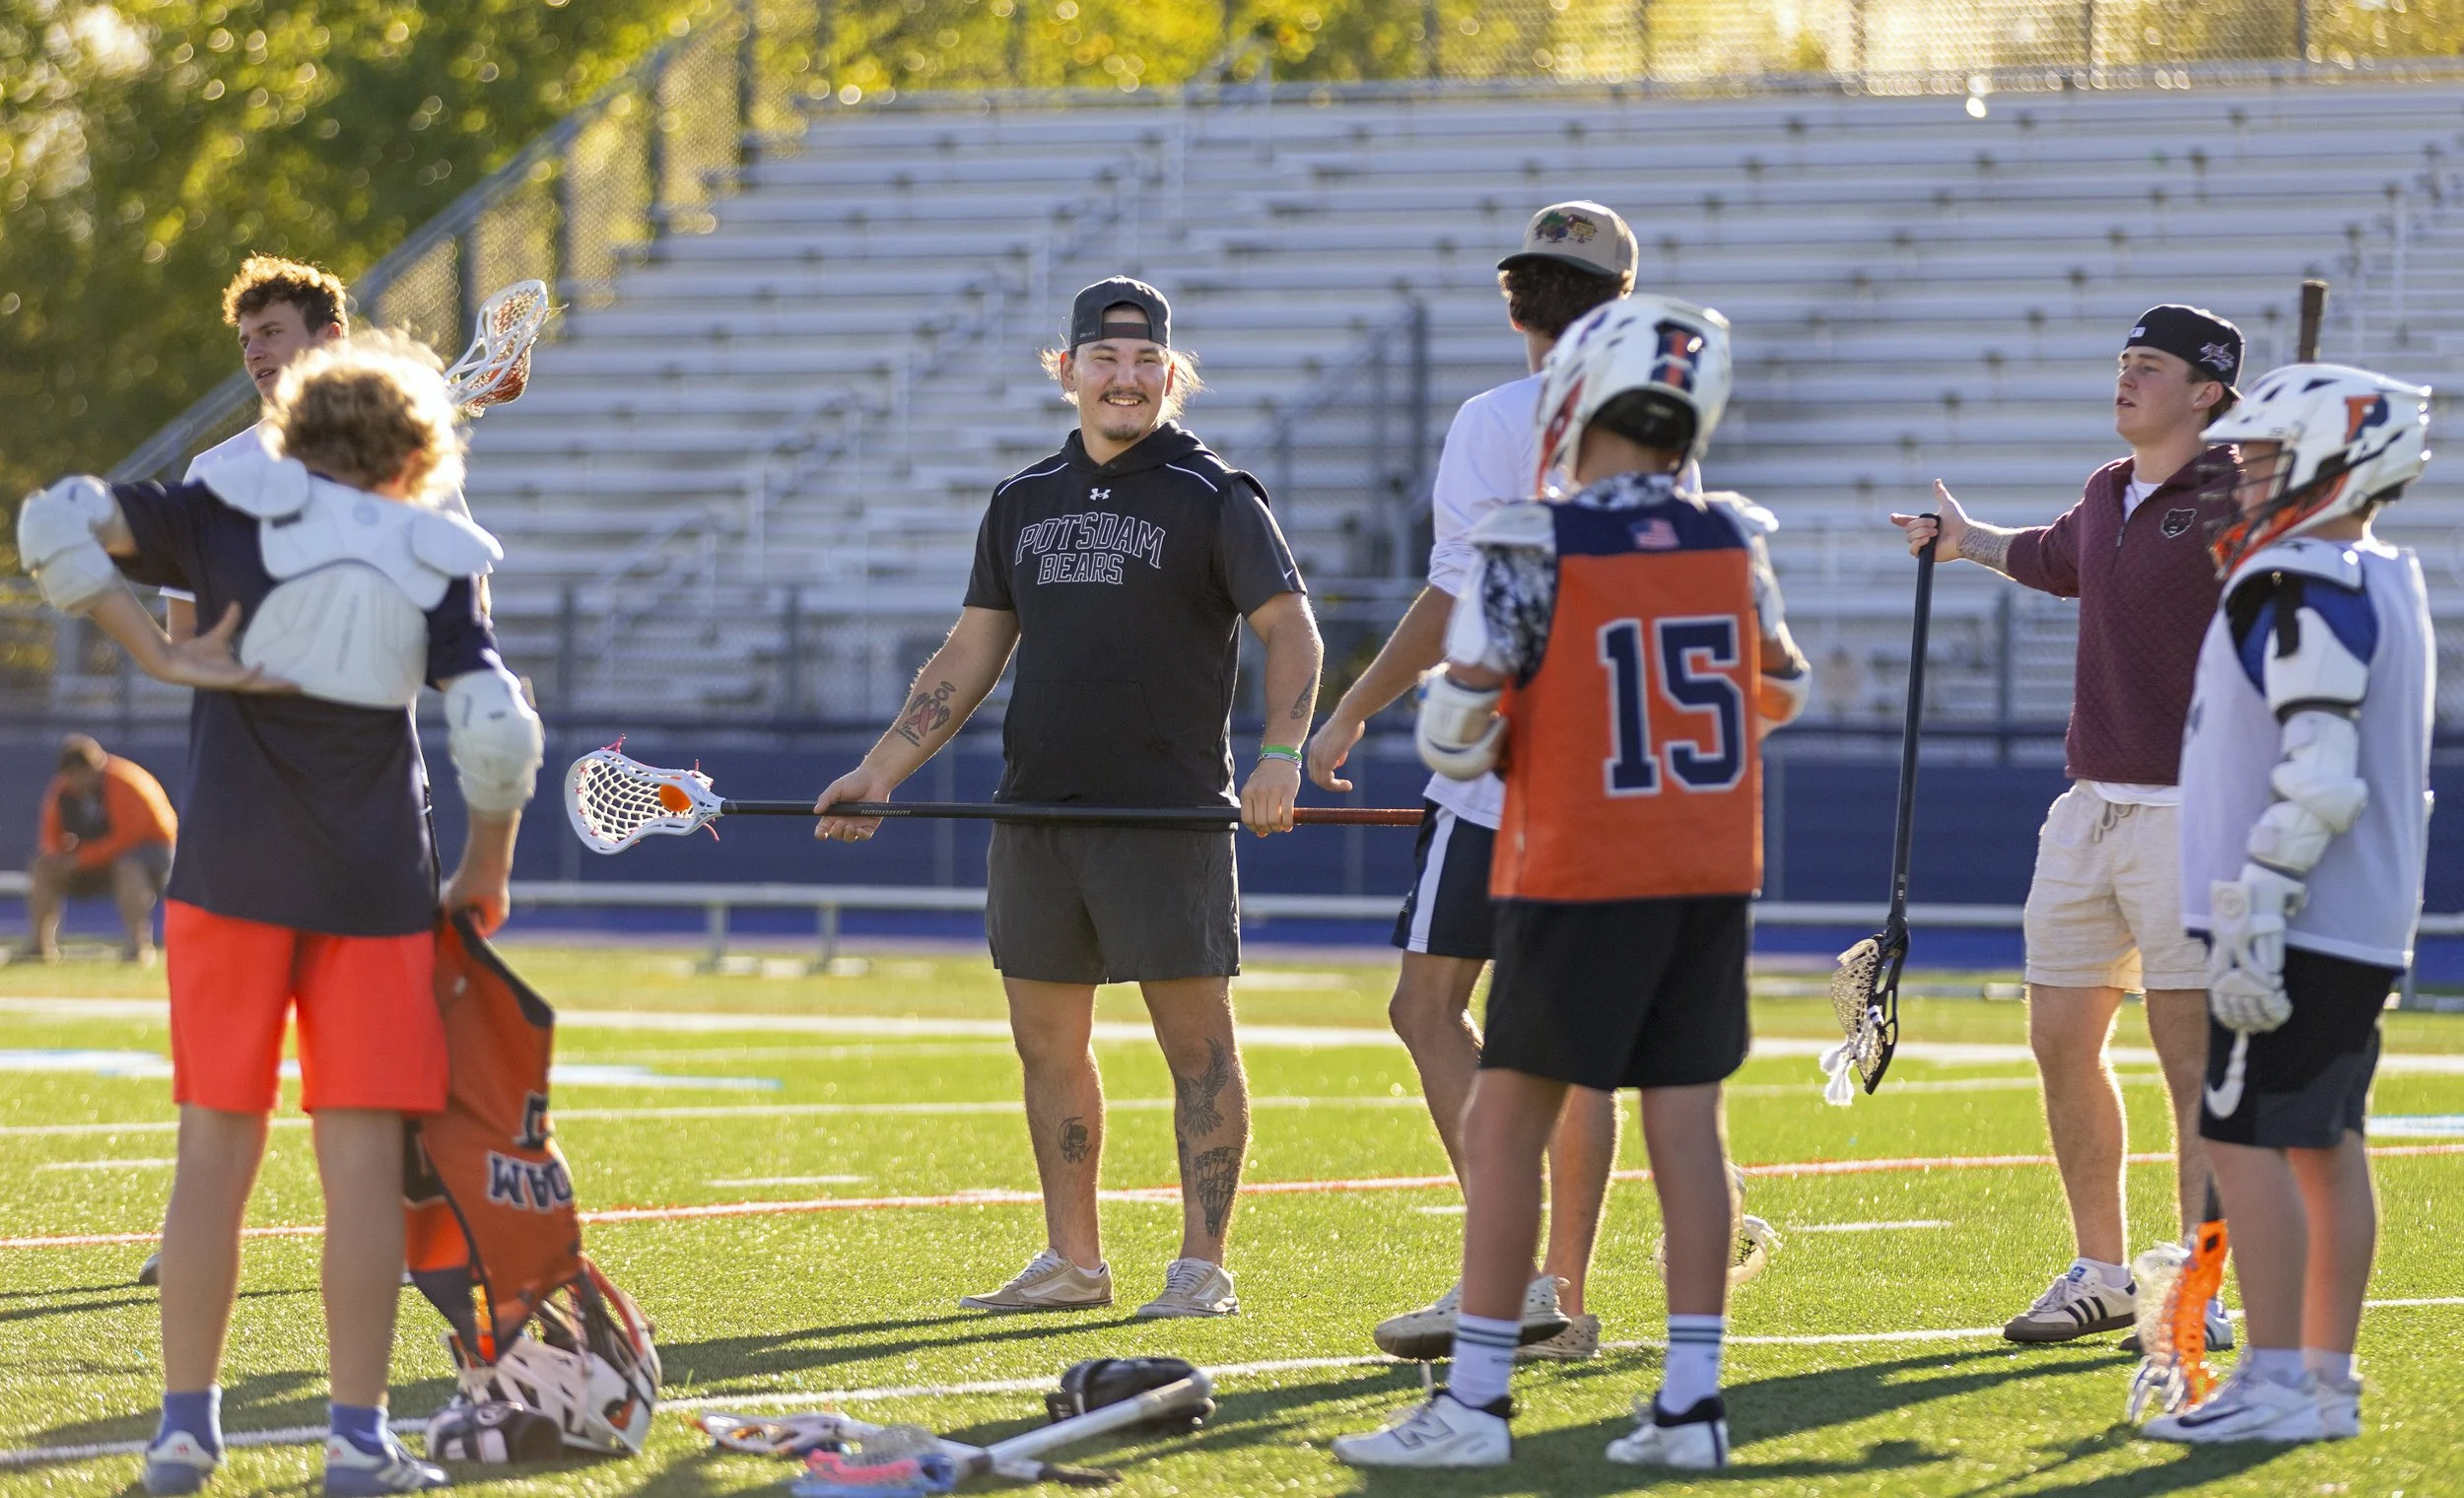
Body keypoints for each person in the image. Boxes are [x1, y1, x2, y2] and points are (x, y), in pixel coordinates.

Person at [15, 331, 545, 1495]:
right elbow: (498, 729)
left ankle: (182, 1434)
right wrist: (485, 868)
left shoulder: (219, 514)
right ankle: (356, 1438)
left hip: (226, 882)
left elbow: (50, 521)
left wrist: (156, 653)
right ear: (416, 453)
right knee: (358, 1168)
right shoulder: (433, 551)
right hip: (374, 891)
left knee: (213, 1154)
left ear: (290, 432)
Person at [1335, 296, 1810, 1470]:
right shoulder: (1732, 536)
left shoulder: (1529, 541)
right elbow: (1780, 690)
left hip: (1579, 863)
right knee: (1687, 1126)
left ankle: (1477, 1401)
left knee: (1505, 1119)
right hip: (1703, 866)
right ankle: (1690, 1404)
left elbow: (1456, 730)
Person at [814, 277, 1319, 1320]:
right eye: (1104, 359)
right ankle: (1073, 1261)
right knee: (1046, 1042)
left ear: (1170, 377)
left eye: (1145, 364)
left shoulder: (1214, 493)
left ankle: (1202, 1263)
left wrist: (1281, 754)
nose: (1124, 379)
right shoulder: (1020, 501)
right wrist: (880, 769)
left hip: (1165, 813)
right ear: (1068, 370)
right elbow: (967, 654)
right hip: (1036, 810)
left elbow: (1293, 629)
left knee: (1197, 1045)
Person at [1308, 201, 1637, 1361]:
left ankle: (1510, 1274)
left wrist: (1351, 705)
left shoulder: (1497, 415)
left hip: (1505, 761)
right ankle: (1557, 1291)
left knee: (1430, 1003)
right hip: (1610, 768)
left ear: (1516, 302)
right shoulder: (1655, 428)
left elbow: (1455, 593)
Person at [1891, 306, 2245, 1348]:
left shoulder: (2242, 490)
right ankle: (2102, 1269)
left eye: (2150, 366)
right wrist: (1965, 543)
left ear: (2207, 390)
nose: (2126, 377)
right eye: (2123, 361)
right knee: (2057, 1039)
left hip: (2194, 812)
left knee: (2190, 1064)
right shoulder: (2105, 489)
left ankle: (2201, 1282)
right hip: (2088, 805)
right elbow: (2051, 556)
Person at [2144, 363, 2433, 1443]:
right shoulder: (2376, 573)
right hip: (2353, 915)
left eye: (2262, 456)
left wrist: (2257, 910)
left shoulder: (2298, 580)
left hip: (2290, 915)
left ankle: (2272, 1380)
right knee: (2324, 1143)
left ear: (2331, 460)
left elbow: (2318, 769)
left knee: (2249, 1140)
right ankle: (2321, 1379)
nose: (2240, 475)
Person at [165, 257, 477, 642]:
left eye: (271, 332)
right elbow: (184, 633)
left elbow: (471, 598)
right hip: (251, 699)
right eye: (246, 340)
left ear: (331, 338)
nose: (253, 353)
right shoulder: (213, 469)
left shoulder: (402, 450)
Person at [24, 733, 177, 964]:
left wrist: (81, 859)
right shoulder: (62, 790)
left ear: (95, 767)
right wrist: (58, 858)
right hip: (96, 858)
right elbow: (50, 837)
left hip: (151, 855)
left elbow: (128, 839)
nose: (75, 781)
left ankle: (138, 947)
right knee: (44, 867)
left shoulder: (126, 782)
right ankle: (39, 946)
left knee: (128, 866)